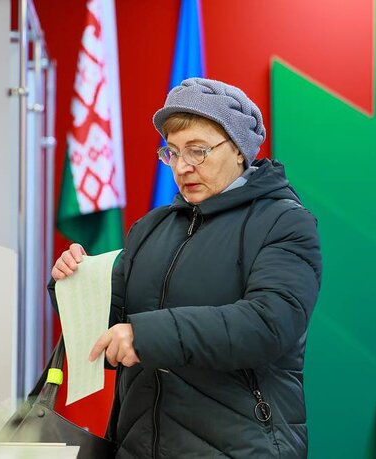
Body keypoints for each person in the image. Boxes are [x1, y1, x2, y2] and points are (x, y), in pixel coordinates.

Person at [50, 78, 322, 458]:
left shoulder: (284, 222)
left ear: (240, 150)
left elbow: (269, 325)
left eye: (198, 151)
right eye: (172, 153)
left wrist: (146, 336)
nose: (183, 167)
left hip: (239, 447)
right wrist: (73, 284)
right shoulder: (150, 228)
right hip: (137, 446)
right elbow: (111, 335)